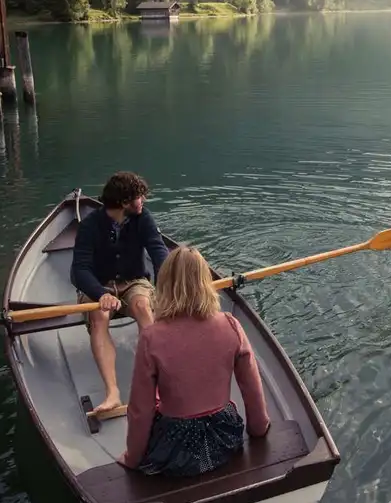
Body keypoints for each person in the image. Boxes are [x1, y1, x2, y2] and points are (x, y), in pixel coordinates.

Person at [117, 245, 271, 476]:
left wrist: (132, 457)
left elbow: (140, 410)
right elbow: (251, 388)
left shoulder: (152, 337)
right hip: (224, 439)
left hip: (176, 449)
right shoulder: (231, 325)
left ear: (164, 284)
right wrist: (258, 430)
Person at [70, 171, 170, 415]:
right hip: (99, 285)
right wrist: (99, 292)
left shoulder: (143, 218)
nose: (143, 202)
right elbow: (79, 270)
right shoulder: (90, 226)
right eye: (139, 197)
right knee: (99, 317)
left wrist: (168, 284)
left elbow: (159, 252)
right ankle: (112, 393)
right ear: (125, 202)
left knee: (143, 307)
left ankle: (159, 384)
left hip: (134, 281)